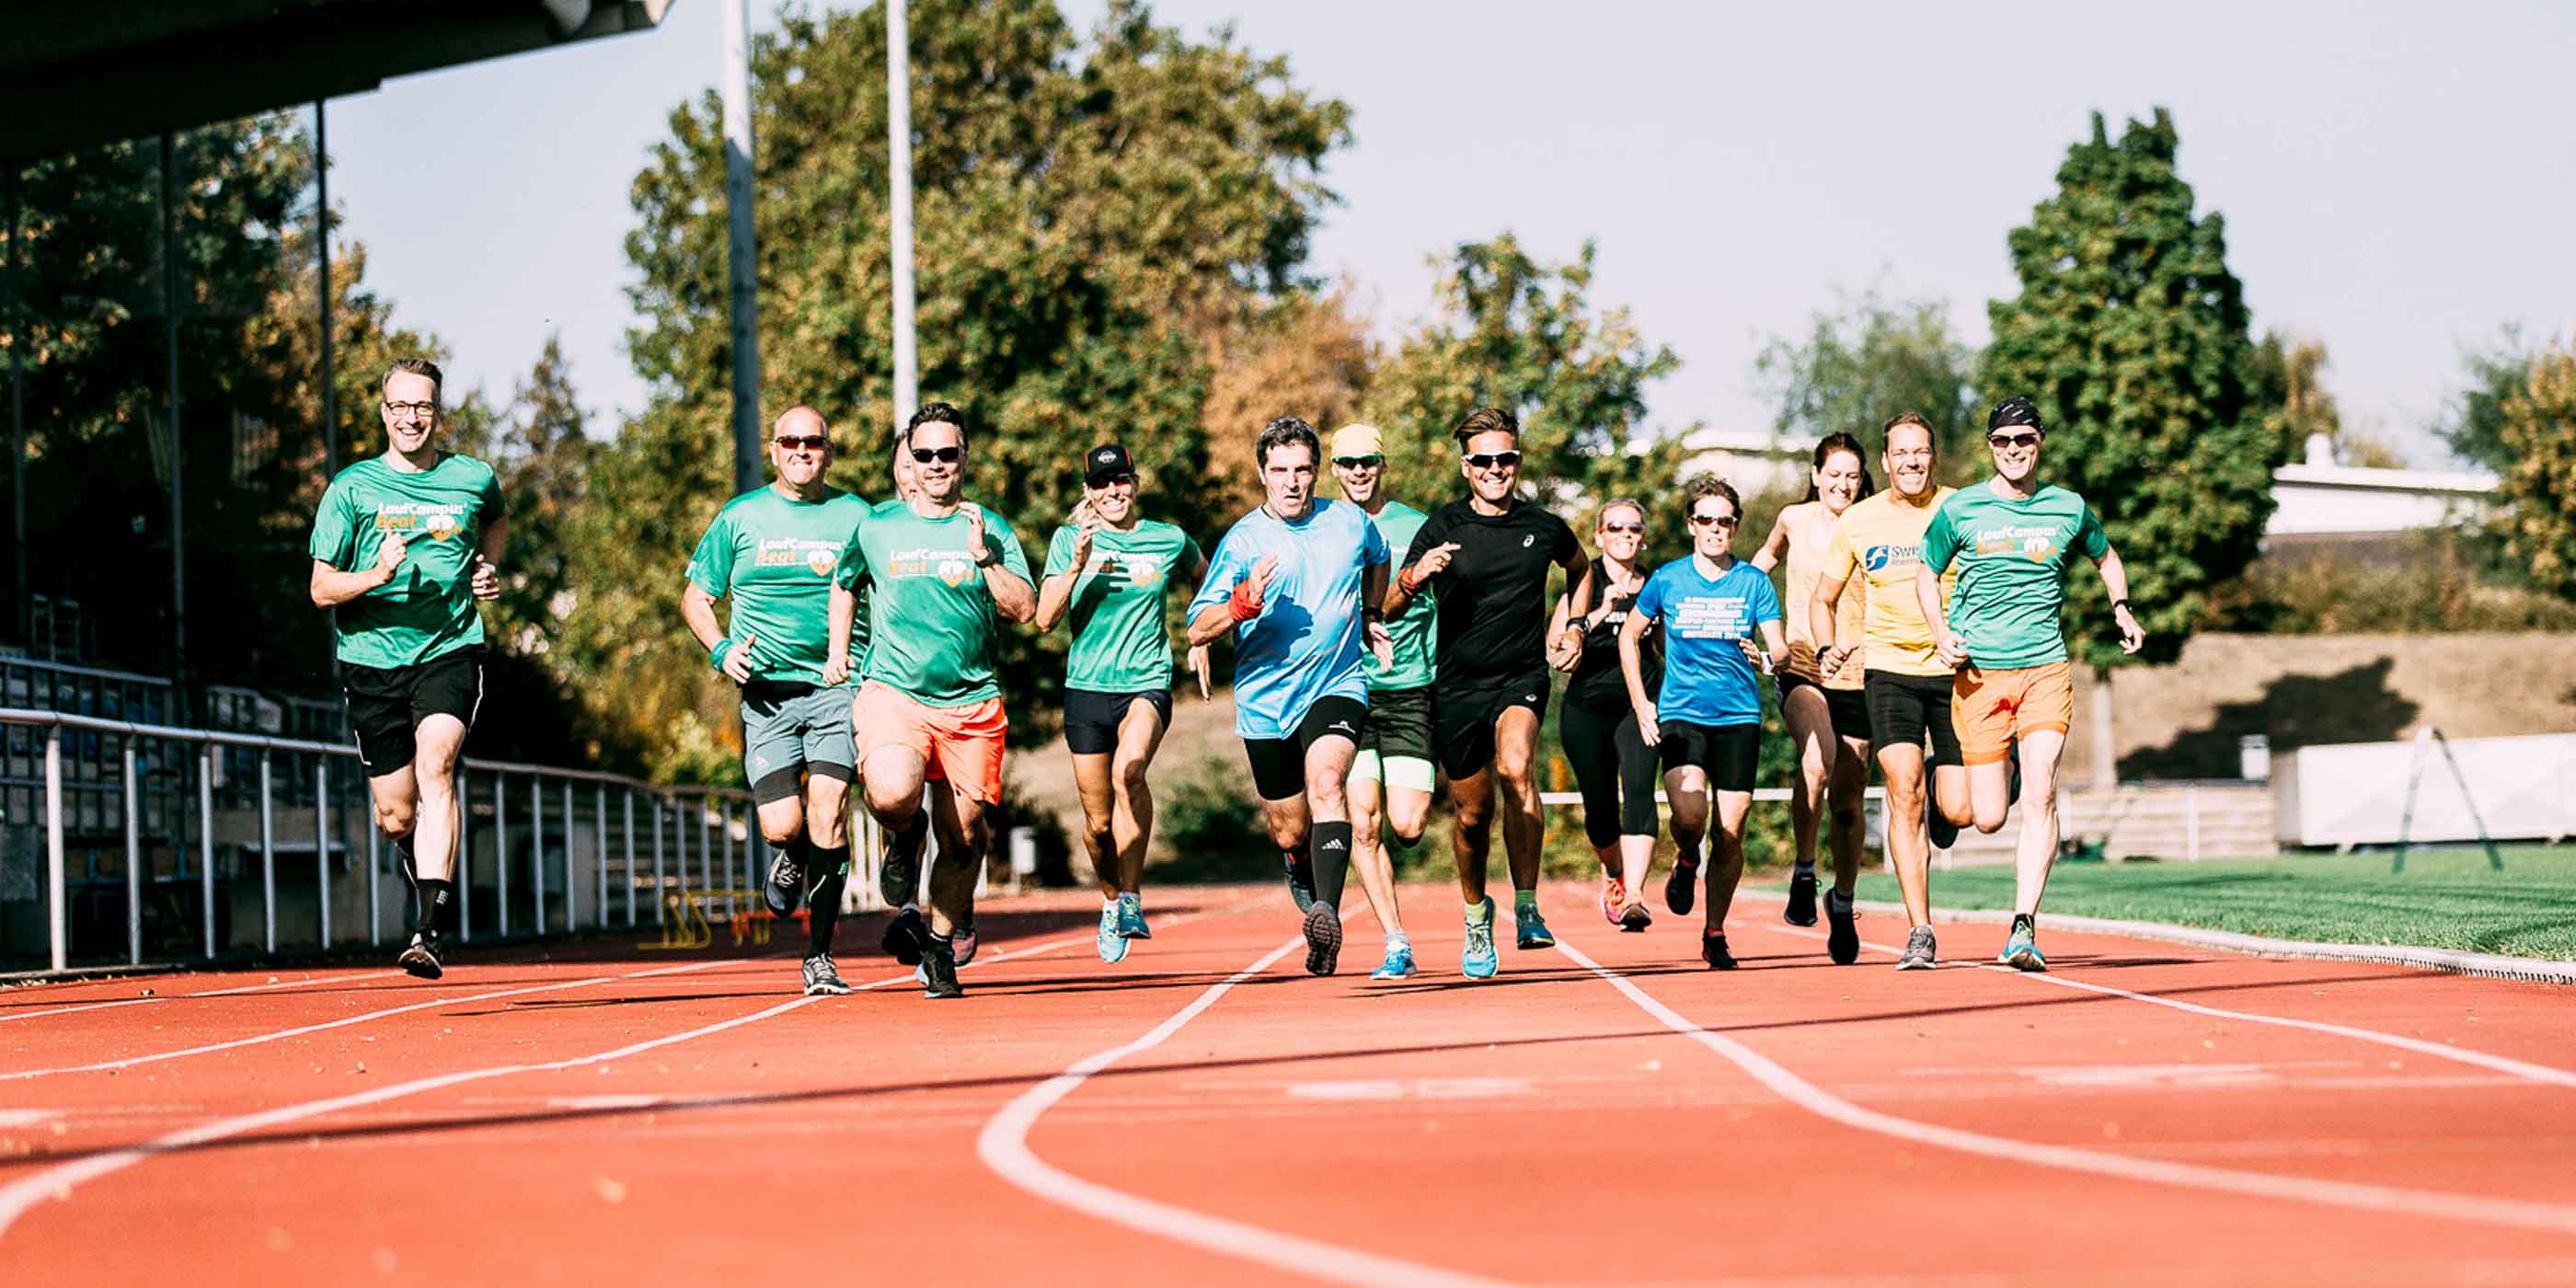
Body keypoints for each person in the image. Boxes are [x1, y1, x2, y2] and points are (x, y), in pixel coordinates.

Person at [1915, 397, 2145, 972]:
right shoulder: (1963, 510)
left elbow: (2106, 556)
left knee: (2043, 790)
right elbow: (1926, 572)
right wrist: (1941, 632)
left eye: (2024, 439)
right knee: (1987, 815)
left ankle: (2022, 928)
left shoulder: (2067, 507)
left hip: (2045, 667)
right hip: (1979, 676)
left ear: (2040, 443)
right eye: (2002, 441)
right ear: (1990, 447)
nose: (2013, 450)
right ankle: (1952, 788)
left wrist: (2121, 606)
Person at [824, 402, 1036, 998]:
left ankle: (940, 945)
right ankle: (904, 832)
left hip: (972, 704)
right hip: (894, 691)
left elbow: (1022, 609)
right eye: (925, 455)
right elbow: (845, 584)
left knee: (966, 836)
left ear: (965, 458)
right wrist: (839, 650)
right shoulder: (877, 527)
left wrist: (984, 558)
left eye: (949, 453)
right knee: (891, 794)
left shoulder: (990, 526)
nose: (937, 464)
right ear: (909, 463)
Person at [307, 358, 505, 980]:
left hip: (448, 649)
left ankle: (427, 928)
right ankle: (417, 859)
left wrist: (485, 567)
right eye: (400, 406)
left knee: (437, 763)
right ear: (384, 413)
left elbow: (495, 520)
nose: (411, 418)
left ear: (438, 412)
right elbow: (320, 589)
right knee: (396, 812)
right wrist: (376, 575)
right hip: (370, 661)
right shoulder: (352, 489)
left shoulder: (472, 478)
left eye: (423, 406)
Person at [1383, 407, 1590, 979]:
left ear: (1518, 462)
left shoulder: (1545, 525)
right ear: (1466, 467)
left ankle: (1527, 907)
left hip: (1520, 674)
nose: (1497, 468)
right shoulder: (1442, 527)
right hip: (1457, 686)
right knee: (1472, 817)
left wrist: (1574, 625)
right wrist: (1415, 574)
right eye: (1484, 460)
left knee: (1518, 766)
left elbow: (1581, 568)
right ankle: (1477, 914)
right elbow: (1392, 608)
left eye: (1507, 458)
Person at [1187, 416, 1393, 977]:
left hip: (1338, 683)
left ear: (1316, 472)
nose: (1293, 482)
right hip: (1265, 701)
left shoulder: (1349, 522)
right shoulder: (1243, 540)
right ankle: (1301, 865)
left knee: (1329, 784)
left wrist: (1372, 613)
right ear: (1262, 474)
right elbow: (1196, 627)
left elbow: (1379, 558)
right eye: (1280, 471)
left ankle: (1327, 911)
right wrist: (1239, 606)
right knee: (1289, 828)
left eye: (1303, 470)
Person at [680, 406, 871, 996]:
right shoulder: (741, 517)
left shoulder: (857, 516)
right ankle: (788, 854)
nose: (802, 450)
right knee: (783, 825)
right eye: (790, 441)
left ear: (829, 452)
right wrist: (721, 649)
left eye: (813, 442)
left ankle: (819, 956)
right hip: (766, 698)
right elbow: (695, 598)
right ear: (773, 449)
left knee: (830, 815)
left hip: (837, 689)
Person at [1033, 443, 1211, 963]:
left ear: (1135, 483)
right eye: (1102, 484)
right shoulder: (1070, 539)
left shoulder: (1169, 538)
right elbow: (1044, 619)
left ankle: (1131, 896)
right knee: (1097, 826)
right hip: (1087, 689)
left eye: (1122, 481)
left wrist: (1198, 635)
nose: (1114, 492)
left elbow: (1206, 574)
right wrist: (1076, 566)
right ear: (1089, 492)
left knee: (1129, 773)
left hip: (1146, 682)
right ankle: (1111, 899)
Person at [1811, 413, 1969, 970]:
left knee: (1965, 809)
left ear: (1934, 456)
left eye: (1921, 451)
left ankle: (1983, 781)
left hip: (1954, 672)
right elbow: (1823, 598)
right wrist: (1827, 646)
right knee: (1903, 791)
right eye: (1900, 453)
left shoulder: (1961, 506)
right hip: (1890, 671)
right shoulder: (1858, 520)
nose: (1911, 461)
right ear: (1886, 461)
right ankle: (1920, 930)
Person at [1619, 476, 1788, 970]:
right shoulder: (1668, 579)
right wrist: (1640, 702)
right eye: (1707, 520)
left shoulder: (1753, 582)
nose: (1717, 529)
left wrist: (1769, 658)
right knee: (1690, 813)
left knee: (1731, 832)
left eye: (1726, 522)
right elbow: (1629, 638)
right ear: (1692, 525)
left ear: (1736, 528)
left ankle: (1715, 932)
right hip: (1681, 714)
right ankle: (1687, 857)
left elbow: (1777, 646)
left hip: (1738, 716)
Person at [1748, 433, 1876, 963]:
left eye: (1852, 475)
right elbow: (1762, 562)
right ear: (1816, 474)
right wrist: (1740, 600)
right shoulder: (1794, 518)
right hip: (1802, 664)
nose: (1842, 484)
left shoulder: (1876, 523)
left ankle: (1841, 902)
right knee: (1816, 761)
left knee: (1848, 805)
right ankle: (1804, 870)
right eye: (1834, 474)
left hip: (1861, 673)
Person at [1327, 423, 1426, 981]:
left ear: (1383, 465)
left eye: (1368, 461)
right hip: (1348, 687)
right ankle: (1395, 939)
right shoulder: (1320, 528)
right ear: (1335, 469)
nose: (1359, 471)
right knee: (1364, 824)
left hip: (1412, 687)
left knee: (1407, 825)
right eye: (1347, 462)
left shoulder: (1417, 526)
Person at [1551, 498, 1662, 931]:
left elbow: (1664, 649)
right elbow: (1556, 653)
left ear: (1643, 537)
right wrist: (1600, 612)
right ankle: (1614, 872)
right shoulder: (1584, 583)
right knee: (1600, 811)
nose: (1625, 535)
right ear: (1599, 536)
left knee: (1640, 790)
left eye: (1634, 528)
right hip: (1586, 709)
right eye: (1615, 528)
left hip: (1640, 704)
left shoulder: (1655, 585)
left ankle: (1634, 894)